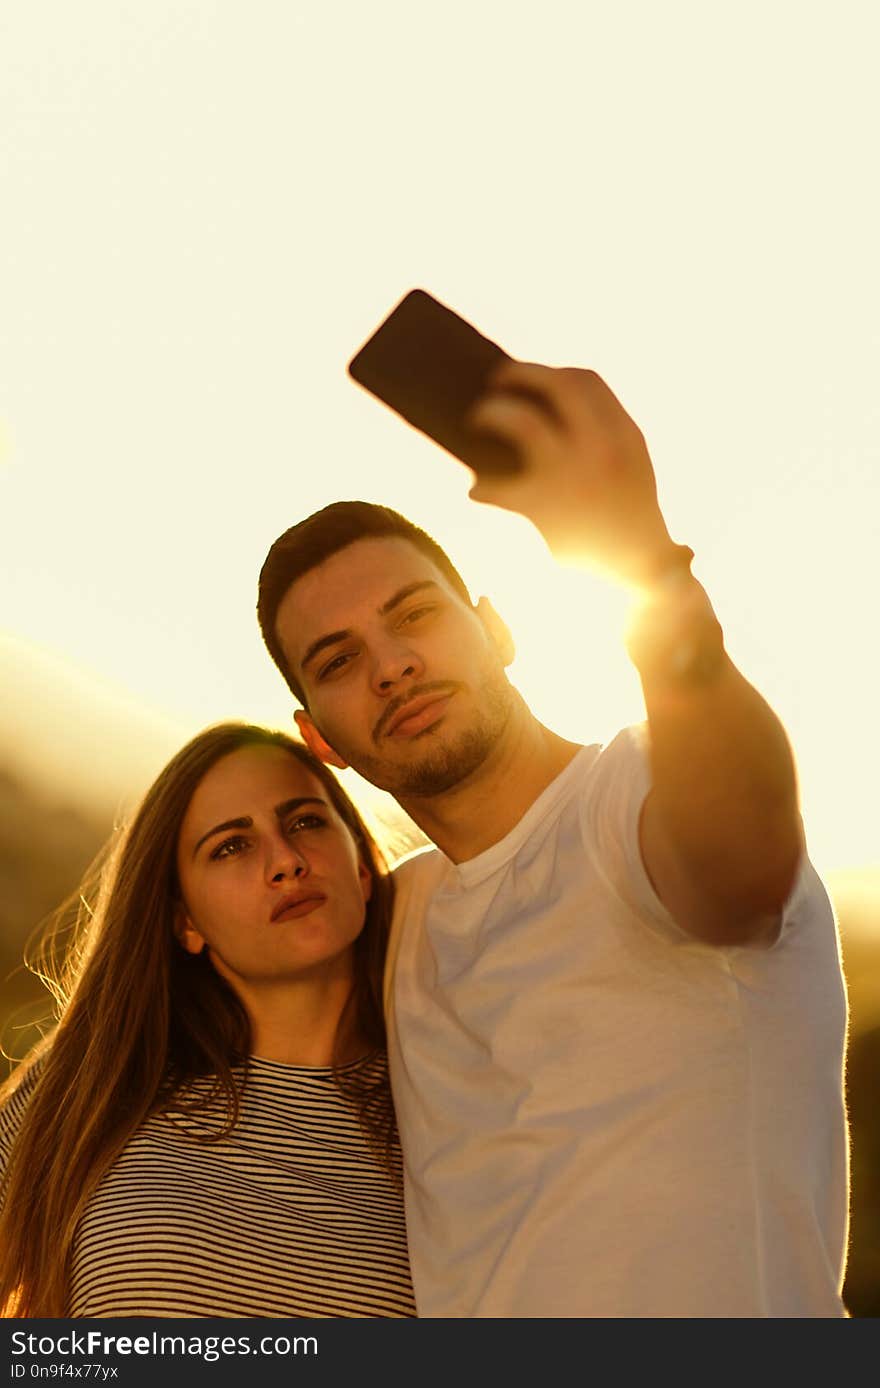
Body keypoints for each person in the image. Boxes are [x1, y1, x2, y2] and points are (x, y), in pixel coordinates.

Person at [256, 362, 850, 1318]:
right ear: (319, 738)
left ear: (496, 629)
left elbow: (743, 861)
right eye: (340, 660)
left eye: (413, 616)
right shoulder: (391, 919)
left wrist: (641, 556)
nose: (393, 664)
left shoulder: (643, 797)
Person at [0, 722, 415, 1318]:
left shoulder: (441, 1107)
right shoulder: (95, 1086)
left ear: (361, 867)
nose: (286, 861)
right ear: (185, 922)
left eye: (305, 822)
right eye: (230, 846)